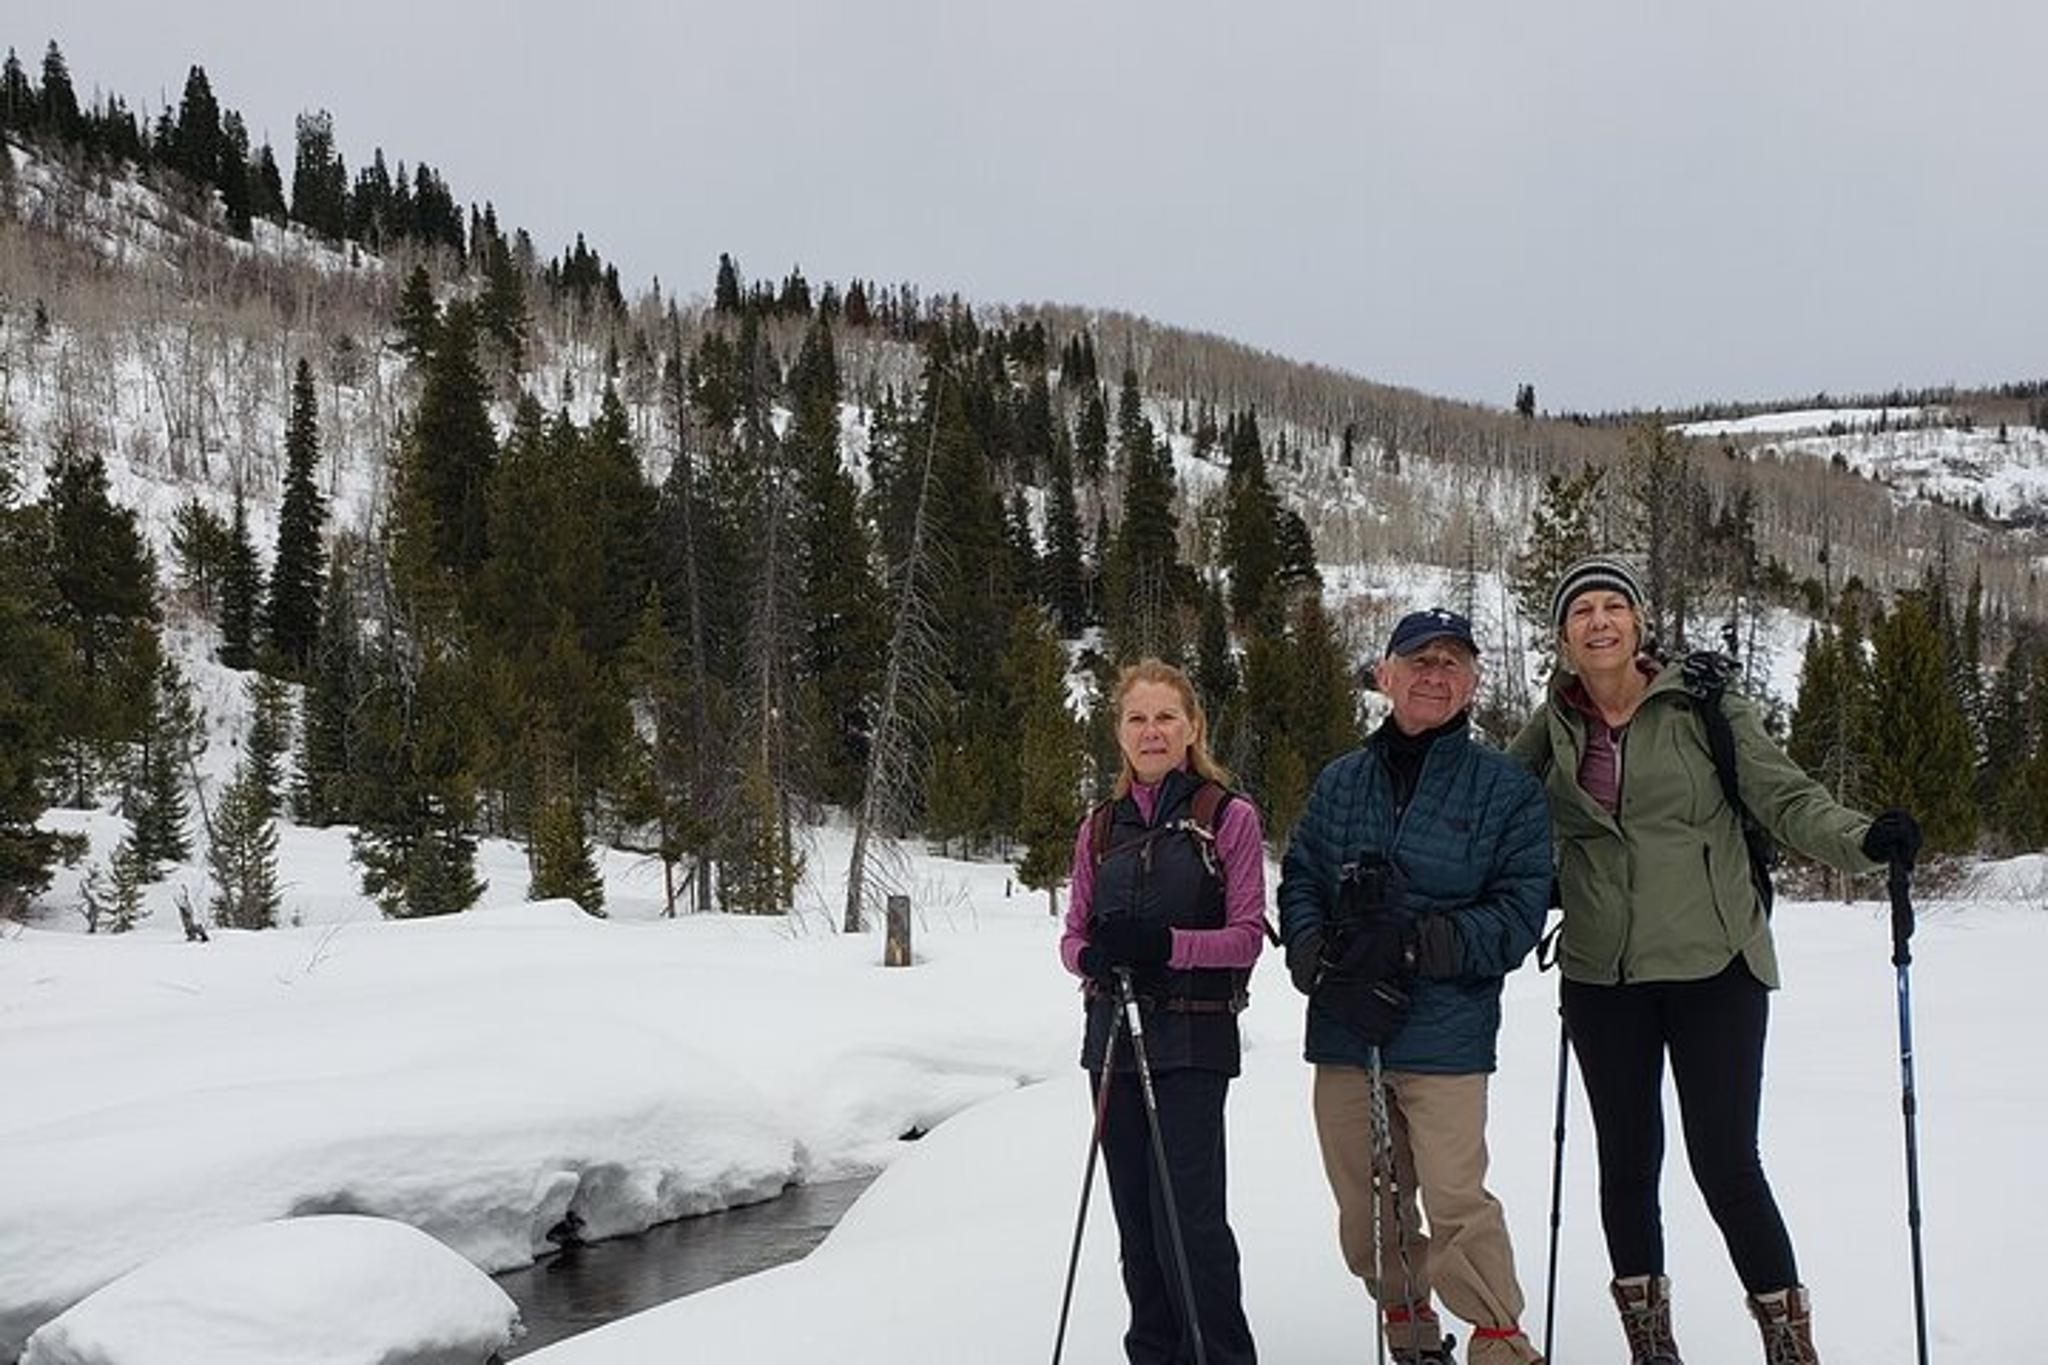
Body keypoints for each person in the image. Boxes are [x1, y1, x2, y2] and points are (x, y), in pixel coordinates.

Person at [1508, 554, 1923, 1365]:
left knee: (1726, 1163)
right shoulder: (1554, 722)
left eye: (1612, 606)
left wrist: (1865, 840)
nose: (1598, 620)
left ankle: (1786, 1342)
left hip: (1714, 967)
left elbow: (1785, 795)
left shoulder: (1703, 702)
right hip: (1604, 974)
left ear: (1636, 623)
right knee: (1626, 1166)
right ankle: (1652, 1345)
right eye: (1581, 610)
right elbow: (1485, 806)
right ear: (1561, 636)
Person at [1278, 607, 1550, 1365]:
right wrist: (1312, 952)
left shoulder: (1506, 790)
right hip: (1344, 1025)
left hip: (1445, 1029)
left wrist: (1419, 941)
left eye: (1451, 662)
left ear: (1471, 683)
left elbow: (1519, 910)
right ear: (1386, 675)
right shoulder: (1341, 781)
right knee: (1367, 1201)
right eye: (1418, 660)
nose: (1434, 674)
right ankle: (1408, 1321)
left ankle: (1498, 1338)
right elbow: (1300, 875)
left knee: (1457, 1196)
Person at [1060, 658, 1267, 1365]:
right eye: (1137, 718)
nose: (1152, 731)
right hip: (1114, 1042)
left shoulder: (1225, 816)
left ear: (1191, 727)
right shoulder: (1099, 828)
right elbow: (1072, 934)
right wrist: (1092, 958)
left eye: (1165, 717)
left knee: (1191, 1220)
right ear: (1119, 733)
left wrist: (1164, 944)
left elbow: (1246, 937)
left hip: (1193, 1039)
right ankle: (1153, 1352)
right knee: (1136, 1224)